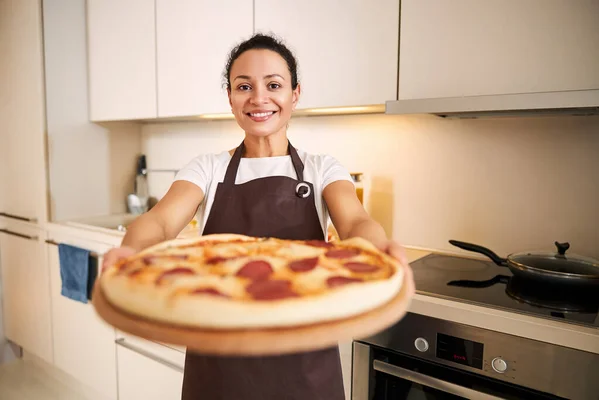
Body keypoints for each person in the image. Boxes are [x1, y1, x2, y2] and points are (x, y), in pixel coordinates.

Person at [102, 33, 415, 400]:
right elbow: (159, 221)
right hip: (219, 358)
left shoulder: (321, 168)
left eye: (274, 85)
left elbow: (355, 222)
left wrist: (378, 248)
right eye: (244, 86)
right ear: (230, 97)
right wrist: (133, 250)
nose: (259, 98)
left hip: (304, 358)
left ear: (294, 94)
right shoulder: (208, 168)